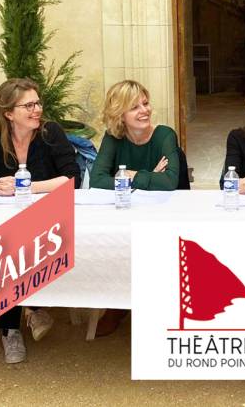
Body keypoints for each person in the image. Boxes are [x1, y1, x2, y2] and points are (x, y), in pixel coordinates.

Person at [0, 78, 80, 364]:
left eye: (37, 103)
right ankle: (12, 328)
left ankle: (32, 307)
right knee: (4, 247)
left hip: (48, 215)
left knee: (25, 243)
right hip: (3, 217)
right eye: (28, 105)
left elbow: (71, 178)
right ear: (9, 113)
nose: (37, 110)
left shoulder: (50, 133)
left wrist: (28, 187)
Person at [89, 79, 180, 336]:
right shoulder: (113, 138)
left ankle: (155, 306)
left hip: (164, 214)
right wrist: (147, 175)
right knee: (112, 244)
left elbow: (170, 181)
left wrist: (127, 174)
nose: (145, 110)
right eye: (134, 107)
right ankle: (118, 306)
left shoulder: (164, 135)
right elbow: (97, 181)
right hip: (125, 213)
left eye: (146, 103)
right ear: (120, 115)